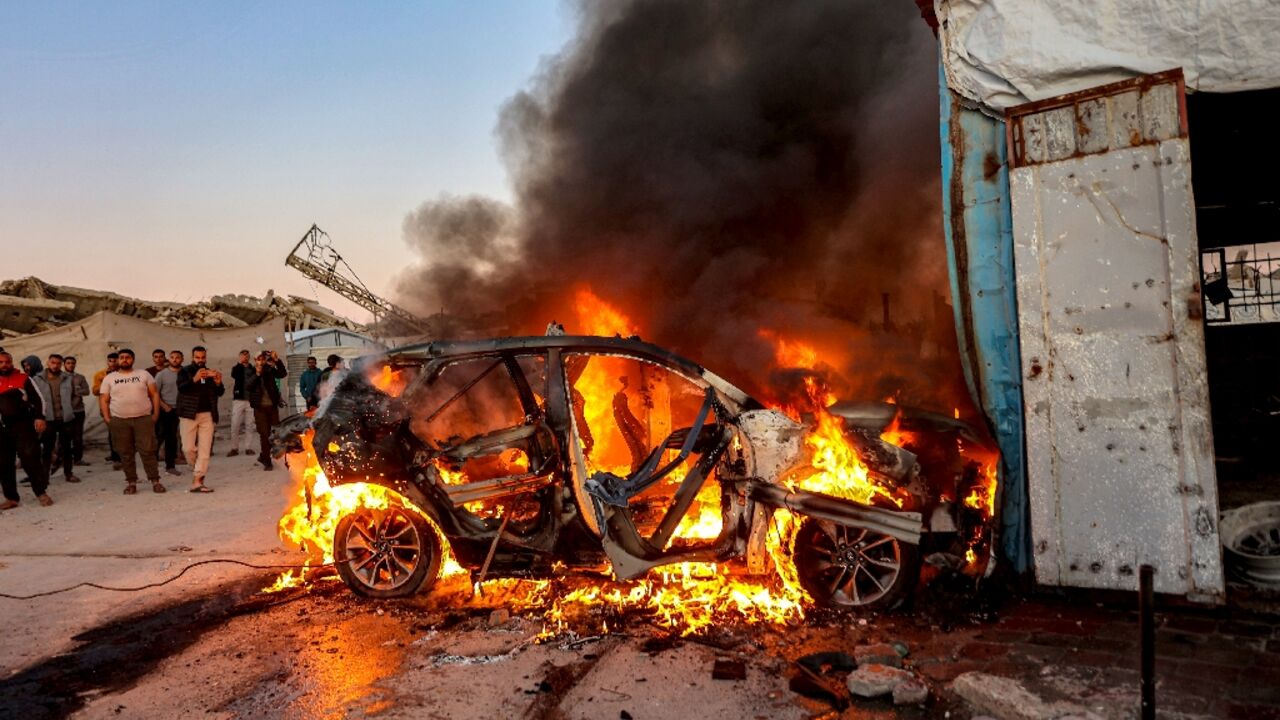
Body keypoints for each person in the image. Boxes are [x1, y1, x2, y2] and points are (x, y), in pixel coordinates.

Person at [99, 349, 163, 494]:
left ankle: (155, 481)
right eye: (121, 357)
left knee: (148, 450)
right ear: (118, 360)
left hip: (143, 419)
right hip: (120, 421)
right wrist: (107, 418)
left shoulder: (143, 374)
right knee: (125, 452)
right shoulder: (110, 378)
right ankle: (131, 482)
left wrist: (155, 414)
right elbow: (104, 399)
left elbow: (154, 394)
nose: (124, 360)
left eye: (128, 357)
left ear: (133, 359)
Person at [0, 351, 53, 509]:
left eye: (7, 362)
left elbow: (39, 399)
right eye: (1, 362)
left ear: (12, 362)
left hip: (23, 426)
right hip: (1, 429)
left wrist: (40, 417)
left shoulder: (23, 378)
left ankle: (41, 493)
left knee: (30, 458)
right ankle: (11, 498)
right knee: (4, 463)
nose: (4, 365)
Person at [176, 346, 223, 493]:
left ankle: (198, 480)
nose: (200, 360)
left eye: (203, 357)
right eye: (197, 357)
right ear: (192, 357)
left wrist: (218, 382)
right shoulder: (185, 371)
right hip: (188, 414)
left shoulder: (209, 372)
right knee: (188, 448)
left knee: (205, 449)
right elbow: (182, 388)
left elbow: (219, 392)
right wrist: (195, 378)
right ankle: (197, 468)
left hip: (207, 414)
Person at [31, 354, 80, 484]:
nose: (55, 365)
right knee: (47, 449)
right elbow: (33, 398)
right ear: (48, 363)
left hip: (65, 419)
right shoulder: (37, 379)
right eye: (53, 362)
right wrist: (38, 415)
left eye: (58, 363)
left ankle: (69, 474)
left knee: (67, 448)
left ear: (61, 364)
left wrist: (70, 407)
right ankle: (44, 477)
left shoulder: (67, 378)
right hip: (48, 419)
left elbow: (76, 395)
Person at [245, 351, 287, 471]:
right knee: (264, 435)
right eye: (259, 359)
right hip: (259, 408)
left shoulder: (269, 369)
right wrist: (257, 374)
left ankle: (265, 456)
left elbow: (282, 374)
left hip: (272, 407)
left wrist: (277, 360)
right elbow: (248, 386)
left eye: (263, 359)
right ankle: (267, 461)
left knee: (276, 433)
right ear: (255, 360)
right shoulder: (250, 371)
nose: (261, 361)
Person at [154, 350, 184, 477]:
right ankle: (170, 466)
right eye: (172, 357)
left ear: (182, 359)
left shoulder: (186, 372)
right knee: (169, 437)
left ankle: (189, 460)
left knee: (185, 436)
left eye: (177, 357)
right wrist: (164, 406)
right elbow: (154, 393)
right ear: (169, 359)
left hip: (185, 409)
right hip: (168, 409)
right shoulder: (161, 375)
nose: (175, 359)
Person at [92, 352, 122, 466]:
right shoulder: (100, 375)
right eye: (110, 361)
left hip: (122, 407)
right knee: (112, 432)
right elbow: (95, 391)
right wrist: (106, 380)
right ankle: (116, 457)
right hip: (107, 408)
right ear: (107, 362)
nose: (113, 363)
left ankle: (121, 454)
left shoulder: (124, 373)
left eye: (115, 361)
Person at [63, 356, 91, 466]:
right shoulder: (60, 377)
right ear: (64, 364)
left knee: (78, 436)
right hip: (64, 411)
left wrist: (77, 391)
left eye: (72, 363)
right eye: (68, 363)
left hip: (79, 410)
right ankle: (64, 459)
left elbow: (87, 391)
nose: (71, 365)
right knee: (65, 436)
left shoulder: (80, 377)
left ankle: (78, 459)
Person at [227, 350, 253, 457]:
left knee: (249, 425)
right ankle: (234, 448)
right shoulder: (236, 368)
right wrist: (240, 364)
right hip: (238, 399)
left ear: (249, 357)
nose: (245, 357)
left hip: (250, 400)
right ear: (239, 357)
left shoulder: (253, 368)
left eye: (247, 356)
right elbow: (234, 375)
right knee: (235, 424)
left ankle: (248, 448)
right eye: (243, 356)